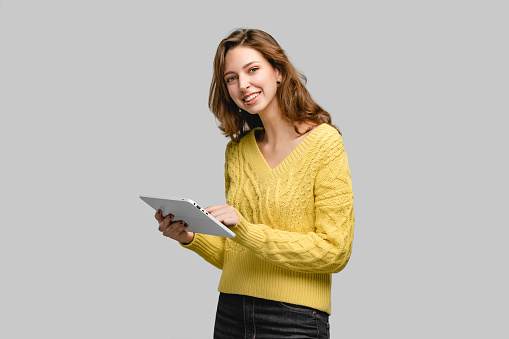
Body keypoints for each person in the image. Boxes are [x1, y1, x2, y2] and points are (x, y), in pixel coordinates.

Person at [154, 28, 354, 339]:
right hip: (231, 313)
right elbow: (238, 252)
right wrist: (192, 237)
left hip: (296, 318)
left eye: (252, 70)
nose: (243, 85)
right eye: (231, 78)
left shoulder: (324, 143)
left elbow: (335, 251)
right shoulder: (237, 152)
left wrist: (245, 229)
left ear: (278, 71)